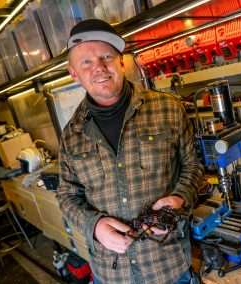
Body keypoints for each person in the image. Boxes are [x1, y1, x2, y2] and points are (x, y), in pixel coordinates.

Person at [56, 19, 203, 284]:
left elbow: (193, 166)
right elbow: (67, 196)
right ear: (73, 73)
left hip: (168, 267)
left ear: (121, 62)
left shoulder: (168, 109)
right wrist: (95, 226)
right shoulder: (71, 135)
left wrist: (180, 198)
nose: (99, 67)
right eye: (86, 62)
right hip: (111, 274)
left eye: (106, 56)